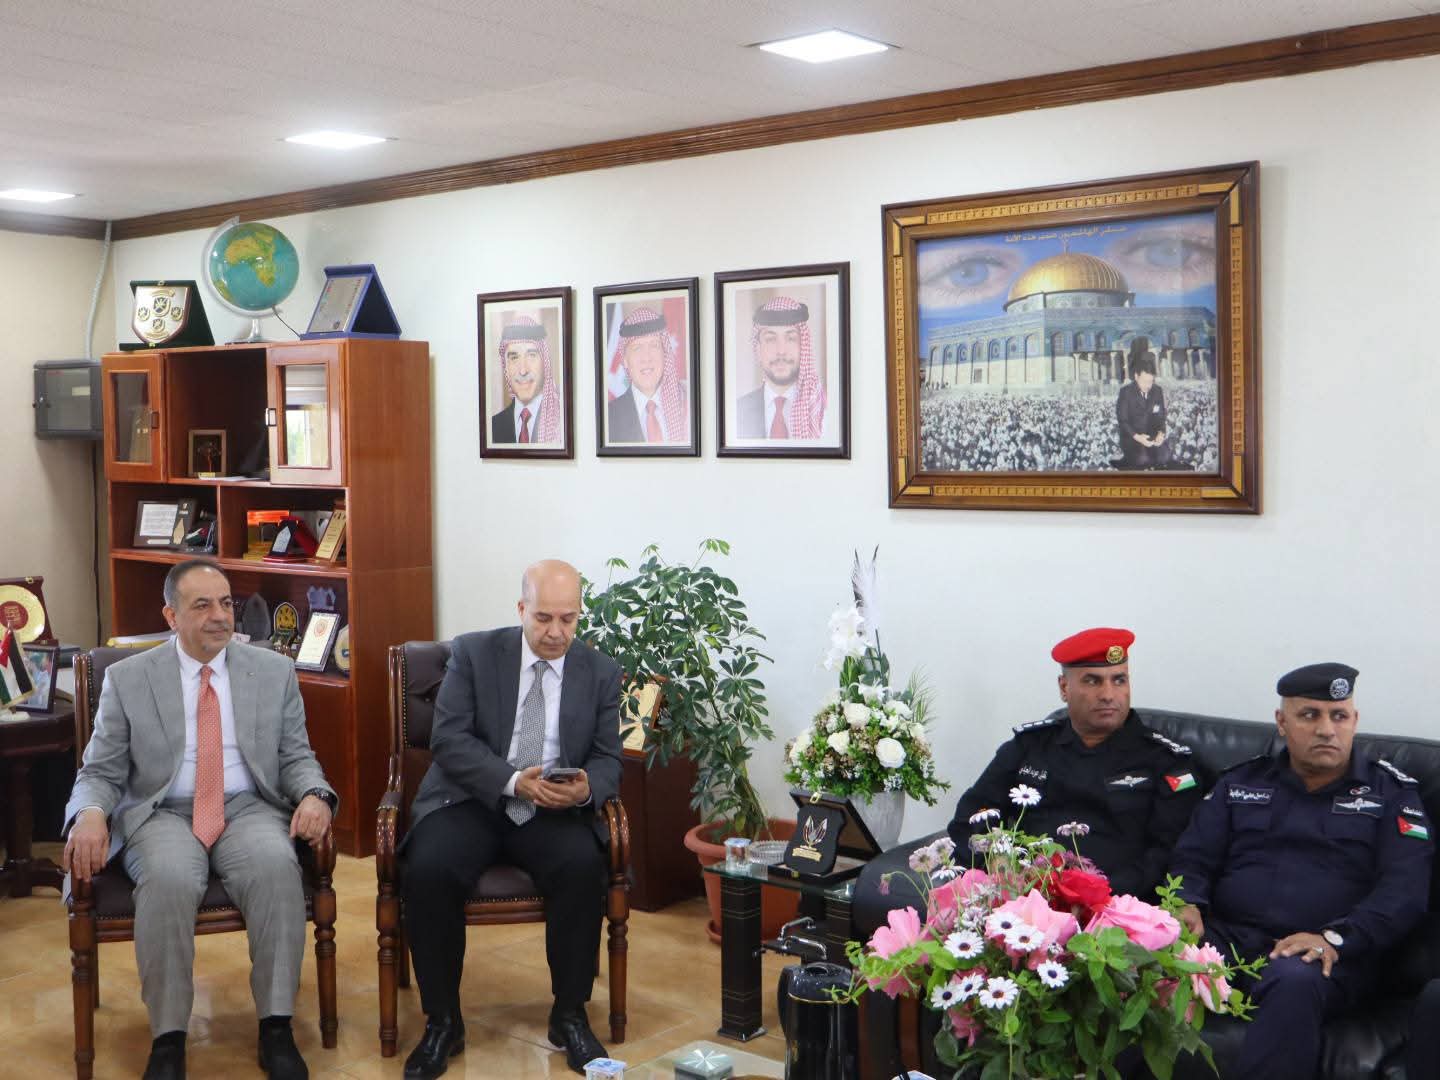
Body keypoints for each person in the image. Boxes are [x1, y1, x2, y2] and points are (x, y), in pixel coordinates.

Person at [62, 559, 336, 1080]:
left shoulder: (272, 670)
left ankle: (276, 1027)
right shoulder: (128, 678)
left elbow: (296, 755)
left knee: (276, 868)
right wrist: (91, 814)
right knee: (167, 880)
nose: (220, 616)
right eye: (203, 605)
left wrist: (315, 794)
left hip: (247, 805)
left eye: (227, 603)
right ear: (171, 615)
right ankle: (168, 1039)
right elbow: (100, 771)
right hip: (162, 810)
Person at [400, 559, 623, 1077]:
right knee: (429, 869)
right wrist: (512, 780)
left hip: (550, 807)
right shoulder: (474, 653)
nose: (555, 632)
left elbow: (609, 759)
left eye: (568, 619)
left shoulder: (600, 672)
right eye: (543, 618)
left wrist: (588, 787)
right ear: (521, 608)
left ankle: (569, 1016)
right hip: (470, 799)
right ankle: (443, 1022)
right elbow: (449, 739)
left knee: (581, 866)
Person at [1169, 663, 1433, 1080]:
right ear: (1281, 722)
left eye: (1338, 716)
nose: (1326, 729)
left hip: (1327, 953)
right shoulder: (1240, 783)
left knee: (1292, 980)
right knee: (1146, 955)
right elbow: (1193, 855)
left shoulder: (1391, 794)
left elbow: (1404, 892)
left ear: (1354, 721)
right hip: (1230, 939)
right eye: (1310, 715)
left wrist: (1335, 937)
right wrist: (1188, 902)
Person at [946, 627, 1203, 899]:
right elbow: (973, 814)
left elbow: (1170, 852)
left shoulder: (1165, 760)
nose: (1108, 694)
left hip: (1116, 904)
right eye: (1093, 681)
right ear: (1064, 688)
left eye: (1119, 680)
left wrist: (1094, 894)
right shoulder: (1030, 746)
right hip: (1026, 897)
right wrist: (996, 863)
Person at [735, 296, 826, 439]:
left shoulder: (822, 410)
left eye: (791, 339)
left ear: (803, 346)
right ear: (758, 349)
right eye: (771, 339)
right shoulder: (737, 412)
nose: (781, 351)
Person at [605, 307, 689, 445]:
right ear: (625, 360)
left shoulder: (687, 406)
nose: (647, 358)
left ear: (665, 352)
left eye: (654, 346)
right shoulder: (608, 418)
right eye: (637, 348)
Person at [490, 315, 563, 445]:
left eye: (531, 355)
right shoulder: (493, 427)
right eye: (514, 358)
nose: (523, 370)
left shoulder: (562, 422)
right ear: (505, 367)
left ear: (545, 363)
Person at [1115, 338, 1173, 469]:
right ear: (1136, 376)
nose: (1148, 385)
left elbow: (1161, 417)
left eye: (1151, 381)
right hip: (1133, 437)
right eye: (1145, 381)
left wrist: (1161, 433)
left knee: (1165, 457)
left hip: (1152, 436)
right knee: (1142, 460)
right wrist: (1138, 437)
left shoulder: (1157, 390)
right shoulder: (1125, 392)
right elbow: (1123, 421)